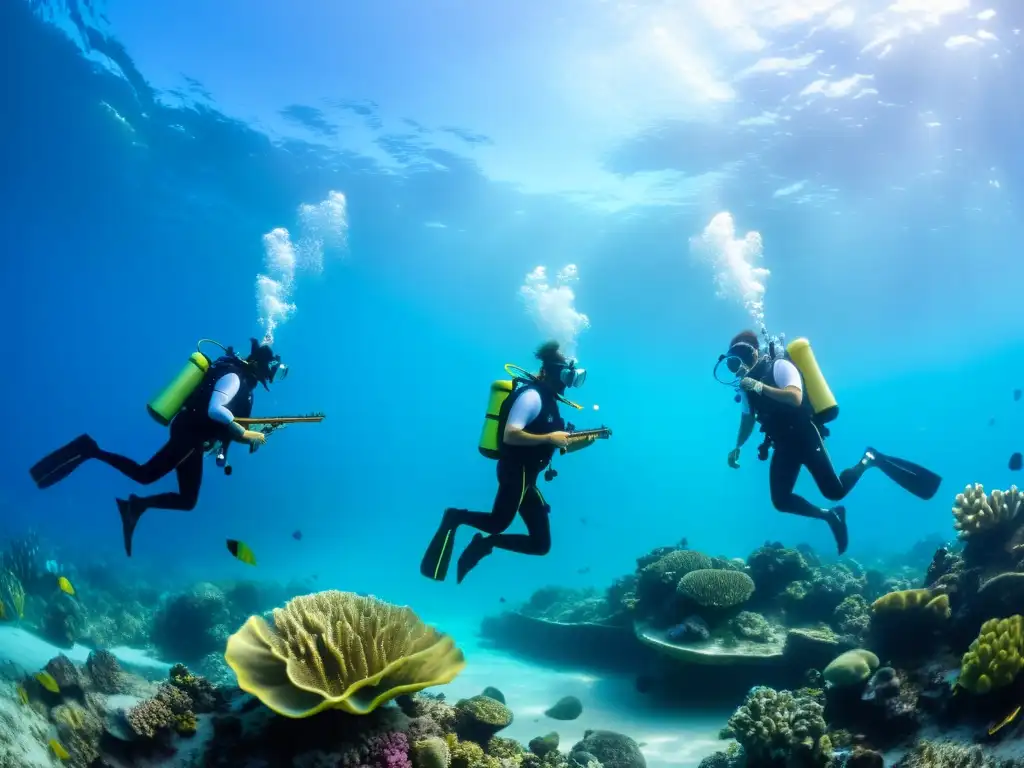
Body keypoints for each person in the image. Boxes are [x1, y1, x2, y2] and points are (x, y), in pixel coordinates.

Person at [29, 339, 288, 556]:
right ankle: (90, 449)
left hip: (196, 441)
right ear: (260, 365)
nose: (273, 374)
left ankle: (135, 506)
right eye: (273, 368)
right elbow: (215, 410)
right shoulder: (234, 377)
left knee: (187, 501)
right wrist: (244, 431)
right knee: (145, 474)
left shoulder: (247, 388)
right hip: (189, 434)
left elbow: (229, 430)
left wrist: (253, 438)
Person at [724, 329, 941, 555]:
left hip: (805, 435)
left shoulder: (779, 367)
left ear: (754, 352)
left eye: (741, 356)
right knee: (781, 501)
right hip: (783, 444)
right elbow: (747, 419)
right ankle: (831, 515)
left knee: (834, 491)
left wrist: (760, 386)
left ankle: (870, 459)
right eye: (732, 362)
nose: (738, 366)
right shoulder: (746, 389)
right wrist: (737, 446)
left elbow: (795, 397)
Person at [420, 341, 598, 584]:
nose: (568, 383)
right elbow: (510, 434)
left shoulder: (550, 402)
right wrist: (549, 437)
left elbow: (554, 441)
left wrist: (582, 440)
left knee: (540, 544)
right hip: (515, 471)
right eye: (566, 375)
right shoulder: (532, 397)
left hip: (529, 479)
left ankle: (484, 545)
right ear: (553, 372)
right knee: (497, 523)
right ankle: (455, 517)